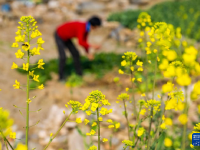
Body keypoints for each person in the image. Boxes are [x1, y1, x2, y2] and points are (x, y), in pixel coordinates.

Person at [54, 16, 102, 81]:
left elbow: (84, 42)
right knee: (63, 57)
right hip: (59, 35)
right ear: (93, 25)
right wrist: (93, 46)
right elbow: (80, 42)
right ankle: (61, 77)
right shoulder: (82, 27)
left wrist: (88, 53)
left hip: (67, 38)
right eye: (96, 27)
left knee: (76, 54)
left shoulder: (86, 29)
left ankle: (79, 74)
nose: (95, 29)